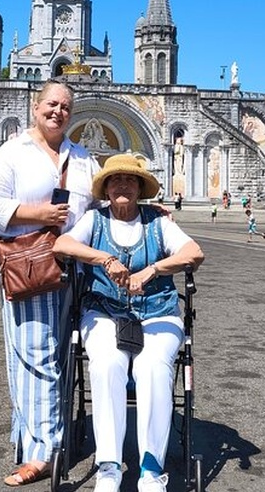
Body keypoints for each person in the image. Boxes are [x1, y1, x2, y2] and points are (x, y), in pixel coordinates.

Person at [52, 153, 205, 492]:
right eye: (115, 180)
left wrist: (153, 269)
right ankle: (109, 464)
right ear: (106, 188)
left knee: (153, 367)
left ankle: (151, 469)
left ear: (140, 188)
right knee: (107, 364)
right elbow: (63, 244)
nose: (123, 185)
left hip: (158, 311)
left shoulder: (159, 221)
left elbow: (194, 252)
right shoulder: (95, 220)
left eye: (130, 180)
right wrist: (104, 259)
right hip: (104, 311)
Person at [0, 80, 100, 487]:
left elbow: (100, 205)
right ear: (35, 106)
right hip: (30, 266)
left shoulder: (81, 157)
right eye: (51, 103)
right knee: (35, 353)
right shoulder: (14, 152)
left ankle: (36, 437)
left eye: (65, 106)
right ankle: (43, 451)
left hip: (74, 269)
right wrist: (38, 214)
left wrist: (151, 212)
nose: (58, 111)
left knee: (60, 355)